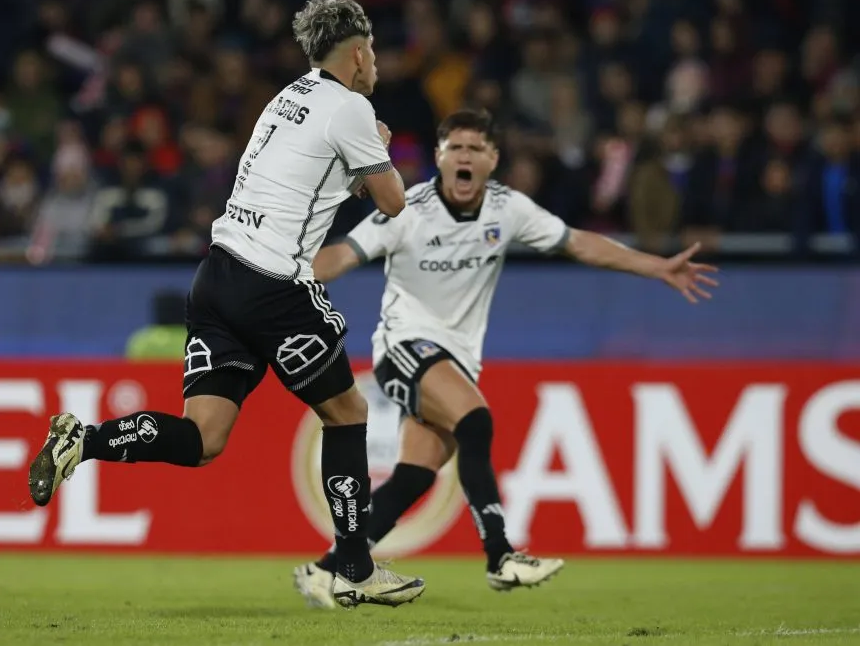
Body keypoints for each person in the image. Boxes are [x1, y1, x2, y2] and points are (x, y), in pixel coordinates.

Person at [28, 0, 426, 609]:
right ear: (356, 52)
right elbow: (394, 202)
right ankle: (353, 565)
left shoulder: (286, 99)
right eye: (371, 51)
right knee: (347, 415)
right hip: (272, 286)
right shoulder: (351, 108)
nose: (375, 62)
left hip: (215, 278)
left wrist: (354, 165)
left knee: (204, 438)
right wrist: (378, 143)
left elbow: (307, 185)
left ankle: (84, 441)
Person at [293, 108, 719, 608]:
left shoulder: (508, 208)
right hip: (404, 349)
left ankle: (326, 572)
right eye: (455, 148)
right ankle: (500, 556)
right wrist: (286, 280)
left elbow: (578, 243)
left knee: (414, 475)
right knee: (475, 421)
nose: (465, 157)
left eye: (476, 149)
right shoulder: (406, 209)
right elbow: (343, 255)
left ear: (493, 160)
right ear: (439, 157)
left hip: (456, 358)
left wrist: (656, 267)